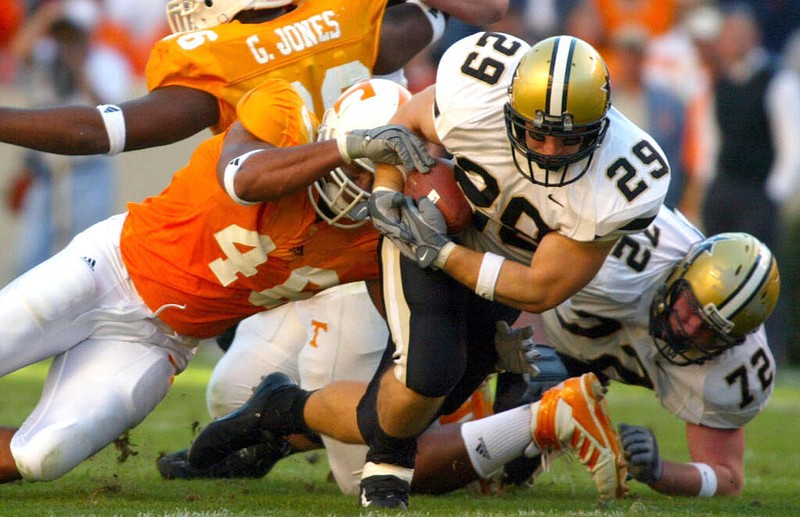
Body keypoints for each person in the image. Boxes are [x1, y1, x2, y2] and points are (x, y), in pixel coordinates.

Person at [188, 32, 672, 508]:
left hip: (492, 268)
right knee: (429, 371)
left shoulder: (623, 179)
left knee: (398, 409)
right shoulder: (476, 97)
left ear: (601, 128)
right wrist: (388, 192)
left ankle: (279, 409)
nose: (547, 150)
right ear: (508, 109)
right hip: (431, 220)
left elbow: (541, 288)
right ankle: (385, 480)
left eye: (567, 139)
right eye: (536, 133)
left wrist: (441, 254)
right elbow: (405, 126)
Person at [0, 76, 432, 483]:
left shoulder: (377, 240)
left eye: (378, 172)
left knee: (43, 456)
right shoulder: (282, 115)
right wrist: (351, 149)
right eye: (359, 163)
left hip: (160, 341)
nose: (361, 184)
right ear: (335, 135)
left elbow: (406, 334)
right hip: (110, 267)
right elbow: (244, 180)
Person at [8, 0, 133, 274]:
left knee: (86, 260)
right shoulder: (47, 55)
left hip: (88, 169)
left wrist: (80, 66)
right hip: (47, 172)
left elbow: (111, 116)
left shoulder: (106, 59)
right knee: (29, 260)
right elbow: (18, 51)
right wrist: (46, 18)